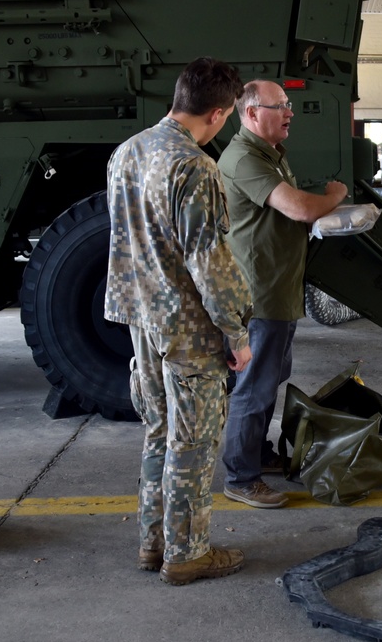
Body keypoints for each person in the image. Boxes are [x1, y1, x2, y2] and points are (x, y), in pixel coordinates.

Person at [104, 57, 252, 585]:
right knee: (193, 442)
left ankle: (153, 542)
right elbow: (209, 263)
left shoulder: (128, 152)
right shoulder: (194, 167)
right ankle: (187, 553)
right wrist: (236, 333)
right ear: (217, 112)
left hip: (141, 320)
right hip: (186, 326)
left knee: (160, 431)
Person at [218, 80, 348, 509]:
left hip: (277, 290)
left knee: (267, 380)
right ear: (253, 113)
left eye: (289, 104)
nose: (290, 112)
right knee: (253, 388)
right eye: (281, 105)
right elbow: (300, 208)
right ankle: (241, 476)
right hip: (259, 297)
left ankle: (255, 454)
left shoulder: (267, 155)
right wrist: (334, 195)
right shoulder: (243, 159)